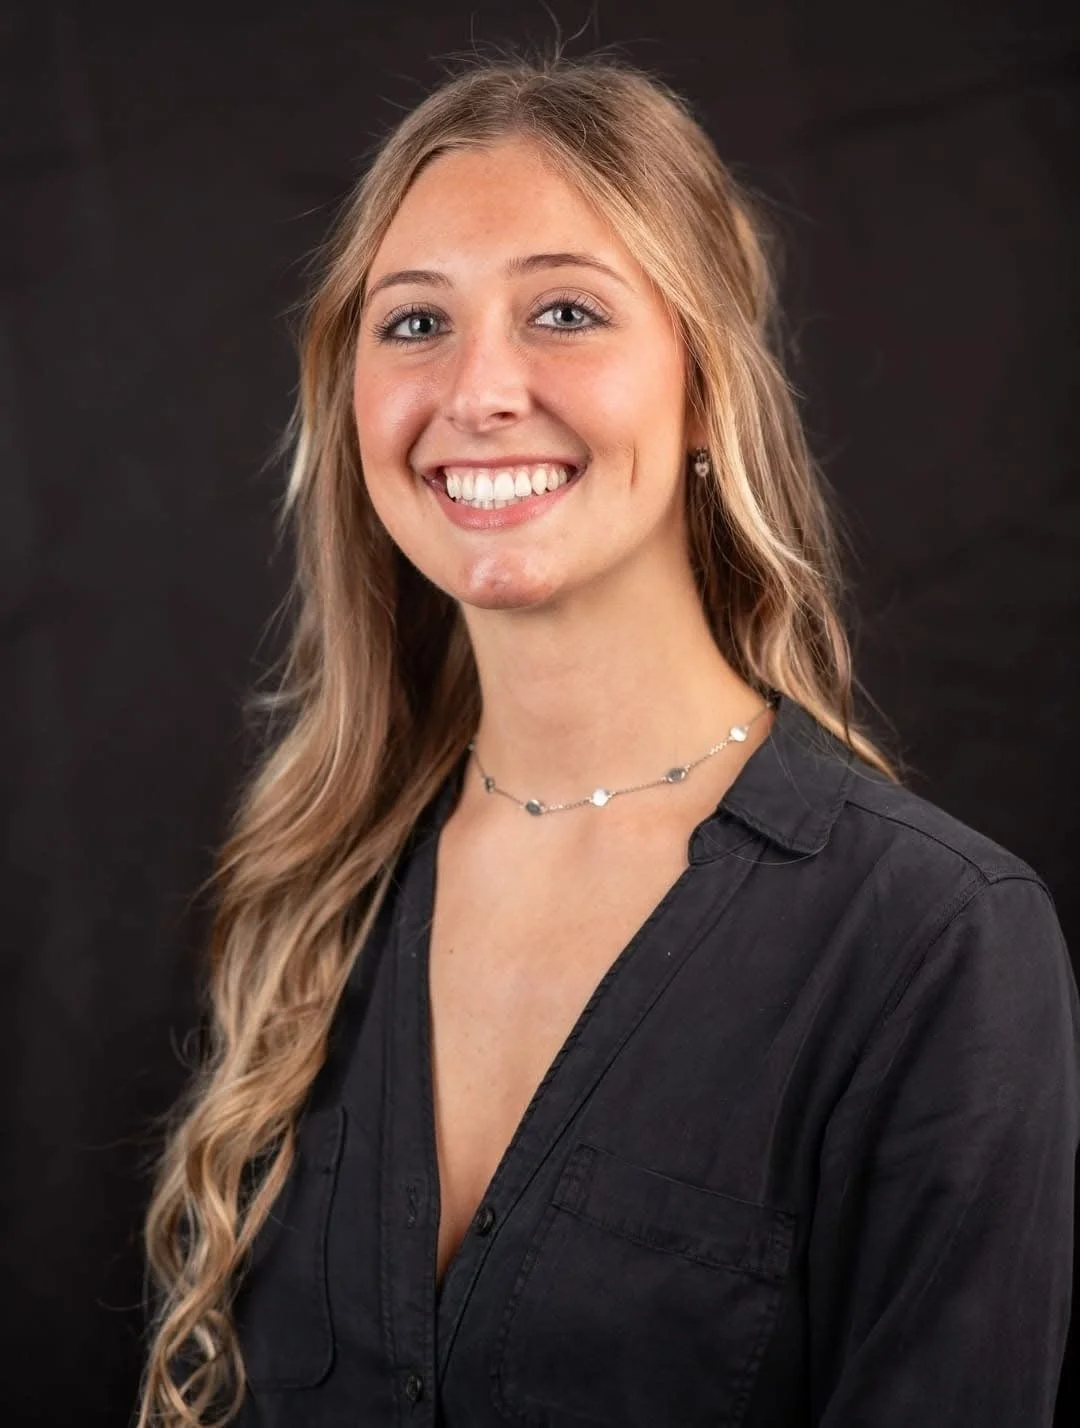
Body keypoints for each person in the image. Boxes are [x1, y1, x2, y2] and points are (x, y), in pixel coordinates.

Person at [137, 51, 1080, 1428]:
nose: (478, 392)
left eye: (565, 312)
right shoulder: (318, 894)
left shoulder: (935, 944)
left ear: (705, 390)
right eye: (413, 326)